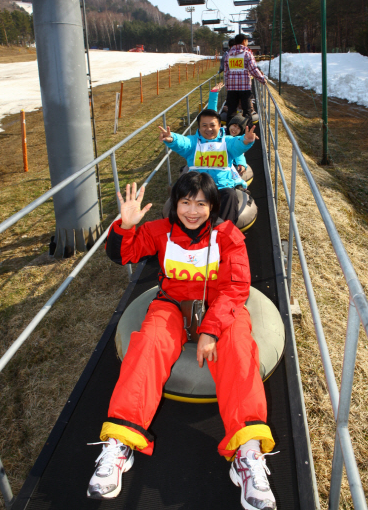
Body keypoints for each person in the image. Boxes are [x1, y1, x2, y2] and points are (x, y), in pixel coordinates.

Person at [87, 172, 277, 510]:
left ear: (212, 206)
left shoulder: (229, 236)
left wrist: (210, 330)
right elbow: (123, 254)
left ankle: (247, 454)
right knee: (148, 343)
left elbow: (236, 288)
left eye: (200, 204)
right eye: (185, 202)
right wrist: (125, 226)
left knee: (238, 350)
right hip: (172, 304)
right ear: (175, 204)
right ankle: (120, 443)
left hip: (221, 309)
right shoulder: (160, 231)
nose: (192, 211)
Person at [159, 109, 257, 224]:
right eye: (204, 125)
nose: (208, 129)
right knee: (181, 193)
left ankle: (223, 233)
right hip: (196, 187)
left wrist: (246, 140)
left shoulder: (227, 142)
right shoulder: (193, 142)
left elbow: (237, 144)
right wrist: (172, 139)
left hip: (220, 187)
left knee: (230, 195)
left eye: (212, 125)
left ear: (219, 125)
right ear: (199, 127)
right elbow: (183, 142)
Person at [224, 34, 266, 125]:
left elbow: (226, 72)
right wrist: (262, 79)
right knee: (247, 111)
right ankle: (247, 132)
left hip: (231, 87)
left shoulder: (229, 54)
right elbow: (253, 69)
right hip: (244, 87)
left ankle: (230, 132)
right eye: (247, 41)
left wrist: (227, 85)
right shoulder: (247, 53)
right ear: (244, 41)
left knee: (231, 111)